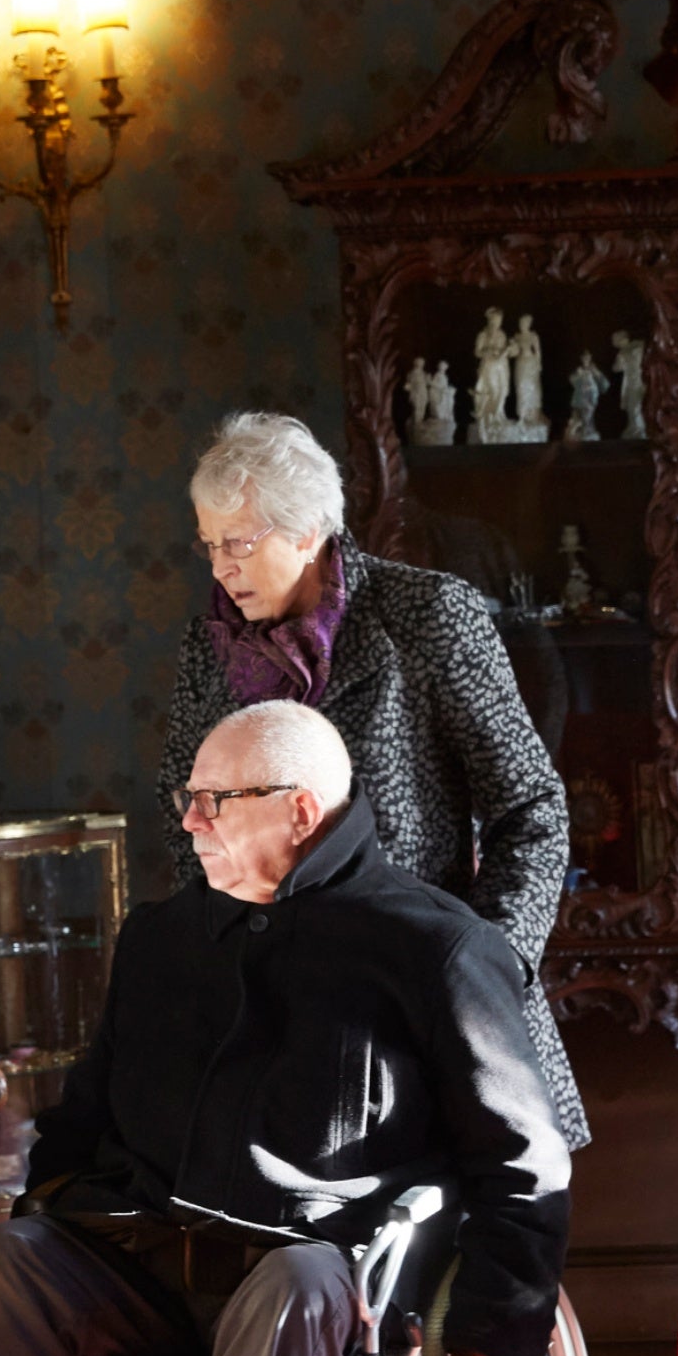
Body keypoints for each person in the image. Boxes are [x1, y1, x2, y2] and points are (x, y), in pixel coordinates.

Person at [0, 703, 571, 1356]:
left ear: (299, 811)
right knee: (5, 1260)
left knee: (293, 1281)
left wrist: (502, 1329)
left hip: (320, 1291)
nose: (190, 821)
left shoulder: (436, 946)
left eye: (214, 801)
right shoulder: (160, 939)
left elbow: (522, 1159)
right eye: (190, 800)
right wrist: (54, 1215)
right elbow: (78, 1123)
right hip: (145, 1265)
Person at [158, 411, 587, 1149]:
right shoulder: (210, 645)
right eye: (208, 544)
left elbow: (531, 808)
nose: (219, 566)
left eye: (238, 543)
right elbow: (183, 814)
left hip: (427, 1001)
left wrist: (490, 964)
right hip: (277, 1020)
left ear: (306, 531)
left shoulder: (426, 616)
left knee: (472, 1245)